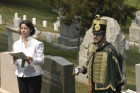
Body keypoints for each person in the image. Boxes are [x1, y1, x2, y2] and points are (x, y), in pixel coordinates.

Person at [75, 15, 124, 93]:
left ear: (104, 35)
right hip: (92, 87)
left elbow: (117, 70)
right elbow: (89, 63)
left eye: (98, 34)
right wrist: (82, 69)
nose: (95, 36)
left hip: (106, 89)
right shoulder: (91, 47)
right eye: (94, 34)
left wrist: (118, 89)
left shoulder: (110, 50)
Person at [11, 20, 44, 93]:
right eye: (22, 28)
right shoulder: (16, 44)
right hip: (21, 75)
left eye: (25, 28)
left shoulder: (37, 44)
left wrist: (32, 59)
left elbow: (41, 61)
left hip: (34, 75)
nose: (23, 30)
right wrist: (14, 59)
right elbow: (15, 63)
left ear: (31, 30)